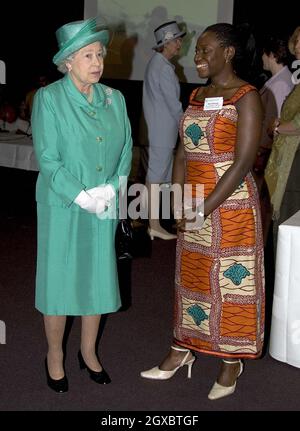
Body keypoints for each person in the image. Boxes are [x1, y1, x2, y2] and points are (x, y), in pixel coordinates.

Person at [141, 23, 265, 401]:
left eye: (205, 50)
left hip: (230, 208)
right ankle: (182, 348)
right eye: (195, 50)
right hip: (195, 203)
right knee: (191, 282)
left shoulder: (246, 96)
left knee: (232, 287)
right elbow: (183, 152)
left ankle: (231, 361)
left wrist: (204, 208)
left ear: (228, 53)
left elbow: (243, 162)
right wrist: (181, 200)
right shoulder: (197, 95)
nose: (197, 57)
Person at [31, 17, 132, 393]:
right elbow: (48, 158)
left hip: (104, 203)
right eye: (88, 54)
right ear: (67, 61)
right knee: (58, 283)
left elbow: (126, 149)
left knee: (97, 282)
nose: (98, 61)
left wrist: (113, 188)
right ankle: (55, 354)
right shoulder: (49, 99)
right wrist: (81, 195)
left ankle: (88, 352)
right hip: (63, 205)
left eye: (100, 54)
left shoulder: (114, 98)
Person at [142, 21, 186, 240]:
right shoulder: (163, 68)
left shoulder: (158, 64)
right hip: (162, 132)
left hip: (160, 131)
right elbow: (174, 105)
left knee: (165, 178)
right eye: (177, 40)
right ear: (167, 42)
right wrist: (188, 126)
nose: (180, 44)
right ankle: (153, 225)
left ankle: (175, 220)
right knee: (156, 179)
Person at [253, 36, 294, 243]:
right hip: (267, 149)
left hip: (269, 151)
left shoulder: (280, 84)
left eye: (263, 53)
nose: (261, 57)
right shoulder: (279, 81)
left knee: (265, 204)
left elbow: (278, 121)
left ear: (271, 55)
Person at [265, 26, 300, 249]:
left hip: (295, 164)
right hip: (289, 159)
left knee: (289, 230)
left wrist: (278, 127)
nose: (297, 46)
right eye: (296, 41)